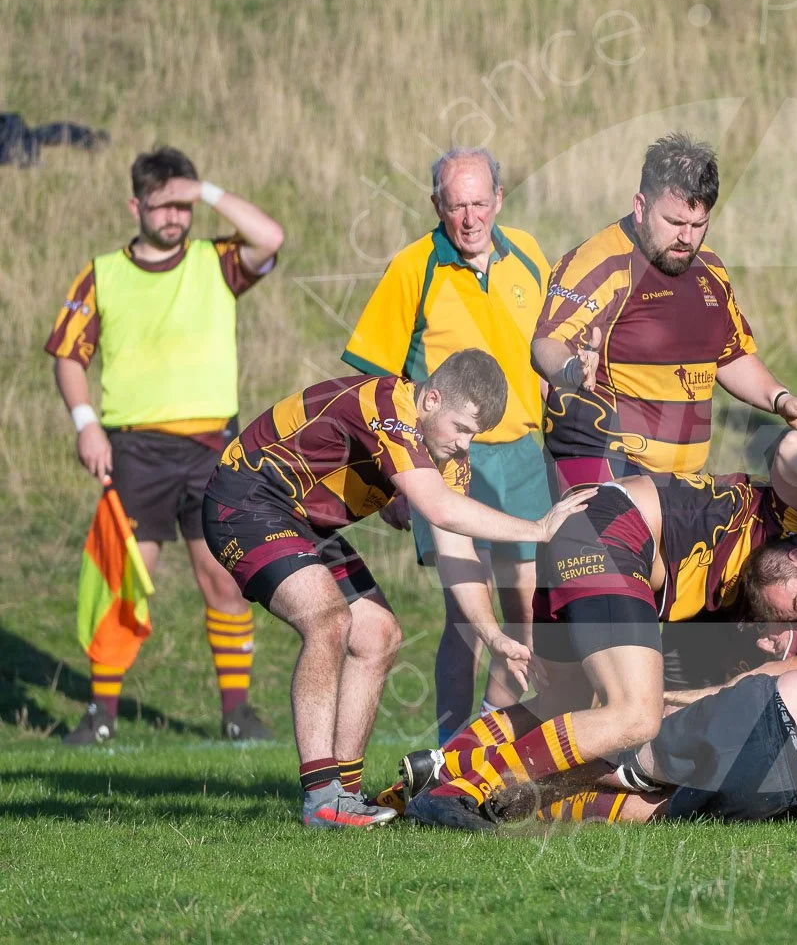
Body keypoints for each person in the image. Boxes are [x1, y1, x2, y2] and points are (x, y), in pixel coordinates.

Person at [402, 429, 797, 830]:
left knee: (562, 708)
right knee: (635, 715)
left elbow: (782, 667)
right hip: (610, 527)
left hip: (585, 534)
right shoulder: (791, 520)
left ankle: (441, 772)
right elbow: (793, 448)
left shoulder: (741, 590)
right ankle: (462, 791)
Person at [200, 350, 593, 828]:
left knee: (379, 634)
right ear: (431, 398)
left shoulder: (442, 453)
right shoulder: (388, 405)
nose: (466, 445)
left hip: (304, 523)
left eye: (476, 436)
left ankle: (345, 795)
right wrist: (538, 529)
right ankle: (322, 797)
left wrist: (492, 637)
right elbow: (442, 510)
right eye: (462, 428)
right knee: (329, 619)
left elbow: (457, 551)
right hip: (246, 500)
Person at [45, 146, 284, 745]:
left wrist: (202, 189)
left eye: (183, 206)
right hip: (135, 450)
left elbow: (270, 235)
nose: (175, 218)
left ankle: (237, 714)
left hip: (212, 449)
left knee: (224, 580)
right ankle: (101, 715)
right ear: (136, 206)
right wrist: (85, 424)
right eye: (162, 205)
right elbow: (69, 356)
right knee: (124, 580)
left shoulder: (217, 261)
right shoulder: (102, 273)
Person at [342, 147, 553, 743]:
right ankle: (448, 753)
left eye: (480, 203)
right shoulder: (414, 267)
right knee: (465, 616)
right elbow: (370, 381)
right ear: (436, 205)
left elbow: (545, 353)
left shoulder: (530, 255)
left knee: (527, 615)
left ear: (499, 200)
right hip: (446, 461)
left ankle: (485, 744)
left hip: (523, 457)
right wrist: (387, 476)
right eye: (456, 205)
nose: (469, 218)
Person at [531, 133, 797, 492]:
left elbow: (732, 356)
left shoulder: (709, 268)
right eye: (674, 222)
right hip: (610, 472)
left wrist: (781, 399)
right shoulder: (599, 264)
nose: (686, 238)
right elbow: (546, 343)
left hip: (684, 488)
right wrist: (570, 368)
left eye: (698, 225)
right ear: (640, 206)